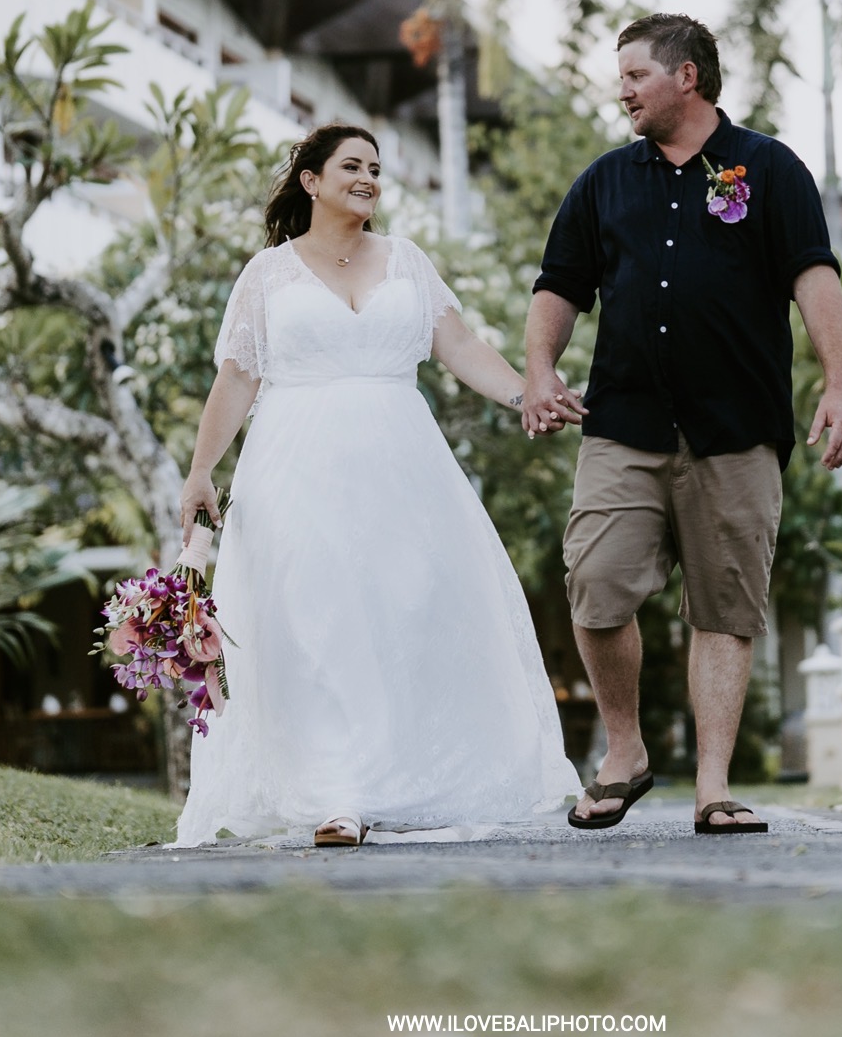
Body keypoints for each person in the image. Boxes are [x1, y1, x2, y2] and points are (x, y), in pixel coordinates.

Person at [175, 124, 576, 848]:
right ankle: (339, 793)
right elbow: (236, 378)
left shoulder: (406, 260)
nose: (368, 179)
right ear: (311, 181)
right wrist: (202, 471)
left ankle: (400, 775)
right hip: (294, 466)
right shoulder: (267, 275)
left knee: (404, 612)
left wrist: (527, 396)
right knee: (316, 621)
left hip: (402, 466)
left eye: (376, 169)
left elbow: (459, 346)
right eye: (352, 166)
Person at [522, 14, 842, 837]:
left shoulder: (771, 169)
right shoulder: (604, 182)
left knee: (725, 608)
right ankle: (626, 751)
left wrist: (840, 386)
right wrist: (538, 370)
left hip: (736, 428)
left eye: (636, 74)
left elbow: (813, 277)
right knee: (596, 586)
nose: (623, 91)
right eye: (621, 76)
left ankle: (714, 787)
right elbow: (559, 286)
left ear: (688, 77)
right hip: (623, 423)